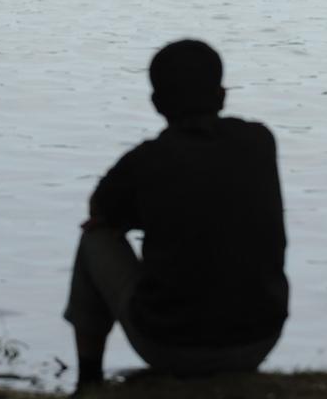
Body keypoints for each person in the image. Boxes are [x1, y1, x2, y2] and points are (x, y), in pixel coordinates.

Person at [64, 40, 287, 392]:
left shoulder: (146, 161)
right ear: (221, 95)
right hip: (259, 339)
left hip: (170, 346)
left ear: (156, 103)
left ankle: (89, 378)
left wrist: (139, 217)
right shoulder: (260, 142)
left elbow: (99, 211)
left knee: (95, 237)